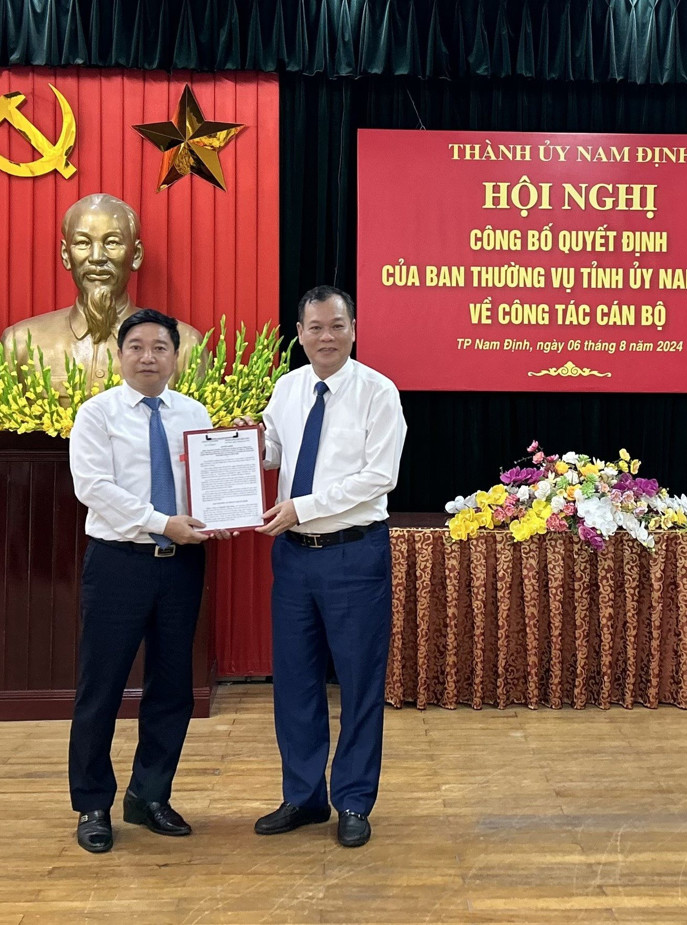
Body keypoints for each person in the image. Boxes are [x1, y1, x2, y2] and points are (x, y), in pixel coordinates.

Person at [67, 308, 230, 854]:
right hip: (119, 562)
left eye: (160, 347)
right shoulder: (97, 414)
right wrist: (165, 523)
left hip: (181, 567)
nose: (148, 357)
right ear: (118, 355)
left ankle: (149, 795)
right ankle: (93, 803)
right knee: (102, 687)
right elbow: (93, 488)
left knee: (172, 687)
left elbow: (208, 482)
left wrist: (221, 516)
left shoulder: (194, 411)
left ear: (175, 357)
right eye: (136, 346)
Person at [252, 284, 407, 848]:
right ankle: (303, 796)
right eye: (315, 328)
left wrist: (302, 508)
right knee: (294, 682)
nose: (326, 337)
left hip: (353, 554)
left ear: (354, 329)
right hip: (294, 559)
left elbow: (377, 477)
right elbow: (273, 454)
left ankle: (354, 800)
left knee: (360, 683)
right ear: (300, 334)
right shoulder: (287, 388)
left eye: (337, 326)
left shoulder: (378, 392)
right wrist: (235, 447)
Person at [1, 193, 203, 398]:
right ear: (66, 255)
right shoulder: (20, 344)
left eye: (112, 243)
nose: (97, 257)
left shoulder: (184, 346)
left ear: (135, 255)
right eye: (83, 243)